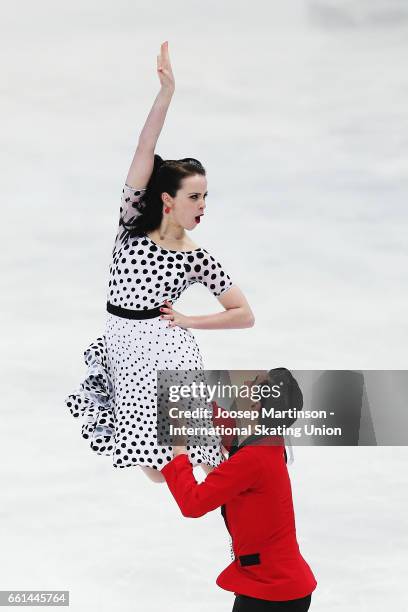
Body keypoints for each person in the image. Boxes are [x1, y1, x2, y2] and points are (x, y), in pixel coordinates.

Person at [64, 40, 255, 482]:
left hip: (164, 350)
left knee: (197, 458)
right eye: (194, 196)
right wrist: (165, 94)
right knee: (153, 468)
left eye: (206, 196)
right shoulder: (131, 221)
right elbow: (144, 149)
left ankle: (248, 482)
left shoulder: (196, 257)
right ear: (167, 200)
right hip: (123, 348)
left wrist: (190, 321)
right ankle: (237, 449)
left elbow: (244, 314)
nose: (203, 205)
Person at [161, 371, 317, 611]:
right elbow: (230, 428)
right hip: (281, 586)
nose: (244, 382)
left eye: (253, 383)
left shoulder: (254, 459)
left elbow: (192, 504)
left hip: (272, 594)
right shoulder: (269, 440)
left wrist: (178, 446)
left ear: (255, 404)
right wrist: (192, 402)